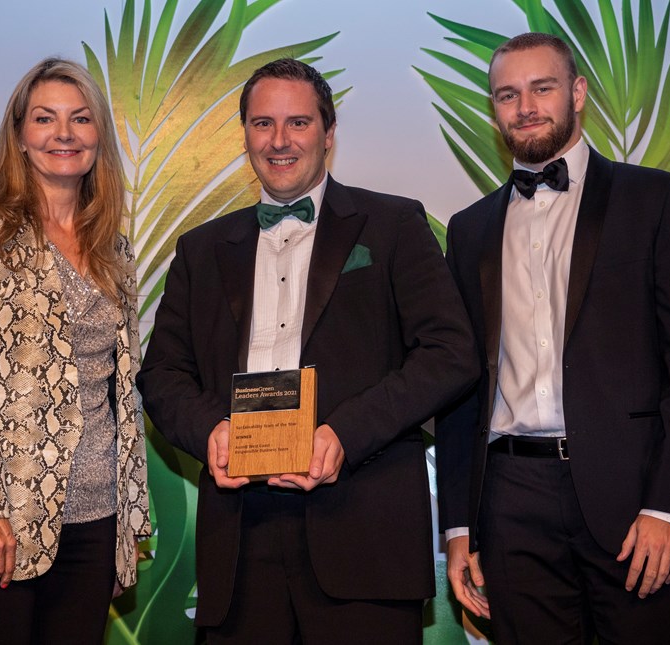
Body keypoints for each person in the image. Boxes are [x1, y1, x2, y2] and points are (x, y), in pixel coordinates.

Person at [139, 58, 477, 644]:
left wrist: (345, 433)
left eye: (298, 123)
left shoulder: (393, 224)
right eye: (262, 123)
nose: (279, 140)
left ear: (328, 131)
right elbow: (162, 373)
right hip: (240, 542)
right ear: (244, 132)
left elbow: (450, 352)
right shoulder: (200, 249)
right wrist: (210, 431)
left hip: (363, 527)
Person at [436, 32, 670, 643]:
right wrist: (460, 527)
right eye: (507, 94)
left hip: (634, 498)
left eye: (542, 88)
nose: (526, 107)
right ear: (494, 108)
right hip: (511, 504)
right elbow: (462, 390)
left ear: (578, 92)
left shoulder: (656, 198)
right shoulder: (468, 230)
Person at [0, 57, 150, 644]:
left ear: (99, 136)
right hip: (0, 519)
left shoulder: (112, 246)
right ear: (20, 136)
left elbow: (118, 387)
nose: (64, 134)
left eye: (80, 119)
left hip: (96, 520)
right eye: (45, 119)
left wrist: (128, 512)